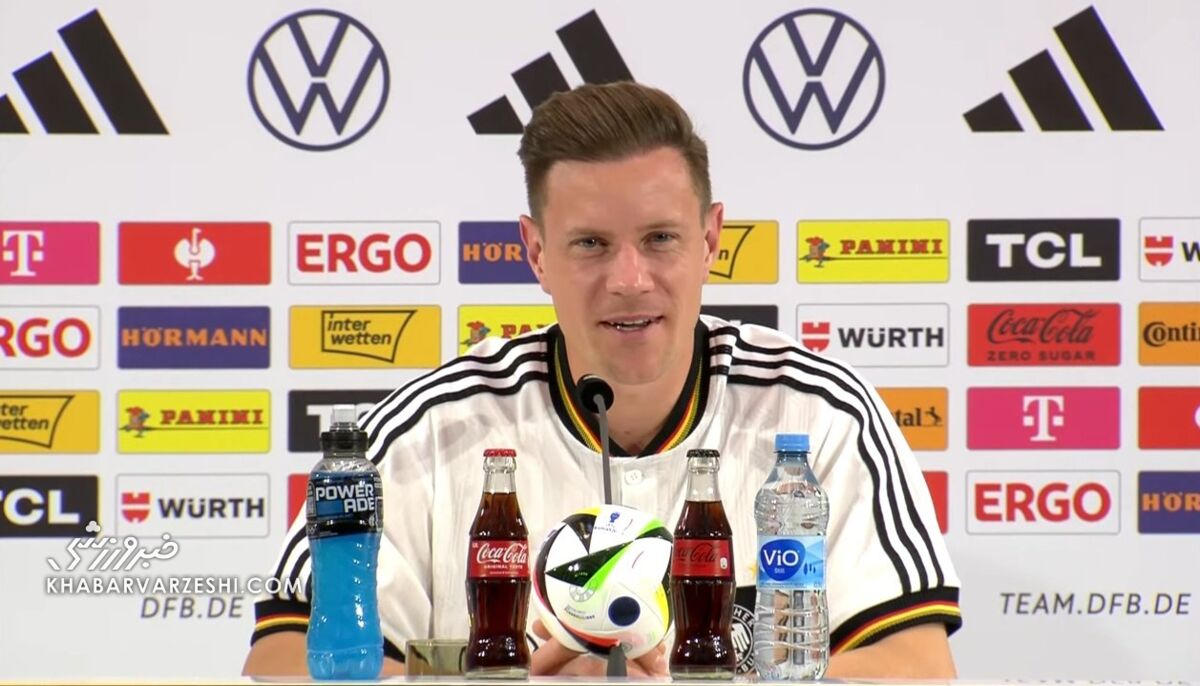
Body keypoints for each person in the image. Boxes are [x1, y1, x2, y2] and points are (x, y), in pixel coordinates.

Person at [242, 81, 961, 678]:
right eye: (591, 244)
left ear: (711, 240)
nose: (629, 280)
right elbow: (283, 661)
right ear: (536, 252)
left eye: (660, 238)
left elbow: (916, 665)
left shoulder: (820, 413)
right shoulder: (426, 429)